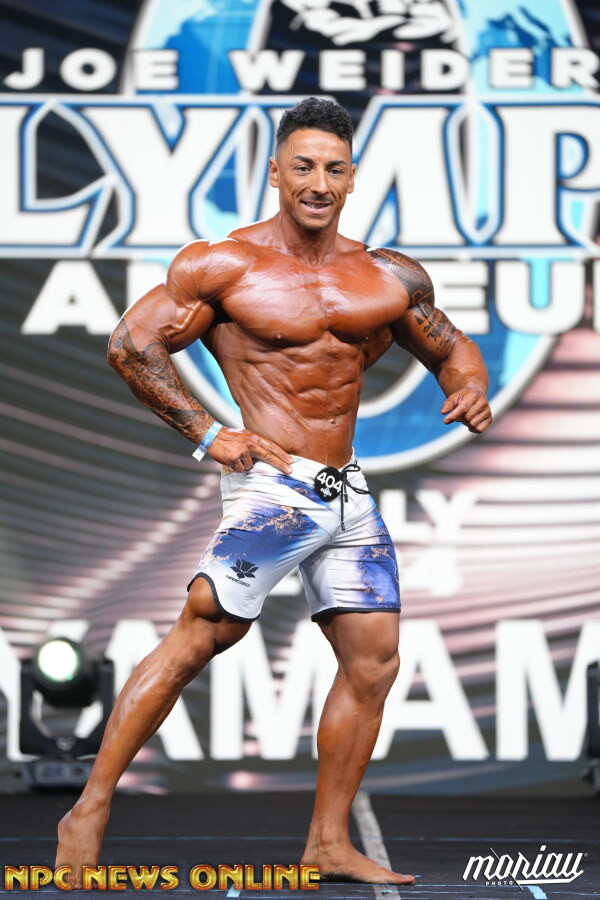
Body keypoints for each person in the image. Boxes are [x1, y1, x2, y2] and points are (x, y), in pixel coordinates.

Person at [55, 96, 492, 887]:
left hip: (346, 492)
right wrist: (206, 431)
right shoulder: (225, 266)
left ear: (352, 179)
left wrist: (470, 387)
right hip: (273, 487)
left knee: (374, 663)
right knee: (203, 635)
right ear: (275, 174)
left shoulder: (387, 274)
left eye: (333, 169)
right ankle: (88, 808)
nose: (318, 183)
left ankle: (326, 842)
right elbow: (131, 345)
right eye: (303, 167)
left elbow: (451, 345)